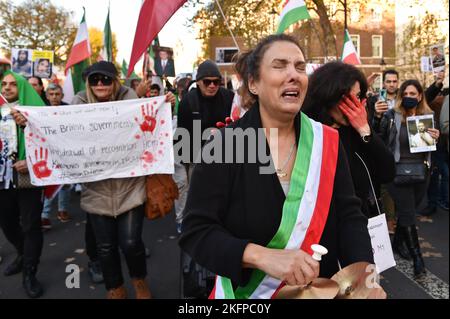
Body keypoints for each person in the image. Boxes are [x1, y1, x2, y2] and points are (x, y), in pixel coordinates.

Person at [179, 34, 384, 299]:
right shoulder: (224, 146)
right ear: (253, 83)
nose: (294, 75)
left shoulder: (327, 142)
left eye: (300, 67)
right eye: (280, 65)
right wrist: (259, 256)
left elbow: (350, 218)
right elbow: (197, 231)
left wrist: (364, 280)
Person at [72, 61, 175, 299]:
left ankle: (139, 281)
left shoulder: (130, 100)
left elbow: (151, 122)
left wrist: (163, 103)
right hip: (96, 189)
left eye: (106, 79)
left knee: (130, 242)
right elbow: (58, 127)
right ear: (88, 82)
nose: (100, 84)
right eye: (95, 79)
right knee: (105, 247)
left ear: (115, 81)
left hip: (130, 187)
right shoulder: (77, 104)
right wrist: (27, 120)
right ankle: (115, 287)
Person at [303, 61, 395, 218]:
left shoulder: (357, 131)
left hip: (359, 220)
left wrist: (366, 131)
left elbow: (387, 172)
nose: (355, 105)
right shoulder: (306, 131)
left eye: (358, 97)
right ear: (328, 96)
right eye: (346, 98)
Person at [374, 79, 440, 278]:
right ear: (402, 96)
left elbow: (428, 148)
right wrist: (377, 117)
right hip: (396, 172)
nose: (410, 97)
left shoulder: (427, 116)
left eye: (414, 94)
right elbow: (377, 136)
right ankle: (417, 258)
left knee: (407, 211)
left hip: (421, 172)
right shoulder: (392, 115)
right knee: (408, 212)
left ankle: (397, 243)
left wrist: (436, 137)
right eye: (406, 94)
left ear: (420, 96)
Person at [0, 71, 46, 298]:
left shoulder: (37, 113)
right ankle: (21, 253)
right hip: (3, 179)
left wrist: (31, 160)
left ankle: (30, 272)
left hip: (29, 178)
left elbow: (50, 141)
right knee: (7, 223)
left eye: (12, 84)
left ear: (22, 88)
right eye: (4, 84)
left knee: (30, 226)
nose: (7, 87)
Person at [176, 60, 234, 230]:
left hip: (225, 157)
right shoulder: (188, 101)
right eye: (207, 82)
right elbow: (182, 134)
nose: (212, 86)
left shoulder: (229, 98)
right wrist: (186, 165)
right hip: (196, 157)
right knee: (198, 193)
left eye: (216, 81)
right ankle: (195, 225)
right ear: (198, 82)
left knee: (222, 193)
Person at [40, 83, 71, 230]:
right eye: (51, 94)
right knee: (49, 182)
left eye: (57, 94)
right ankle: (44, 215)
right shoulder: (39, 110)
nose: (54, 97)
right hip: (47, 152)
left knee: (65, 183)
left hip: (66, 151)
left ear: (62, 95)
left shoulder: (69, 110)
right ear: (47, 96)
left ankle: (62, 210)